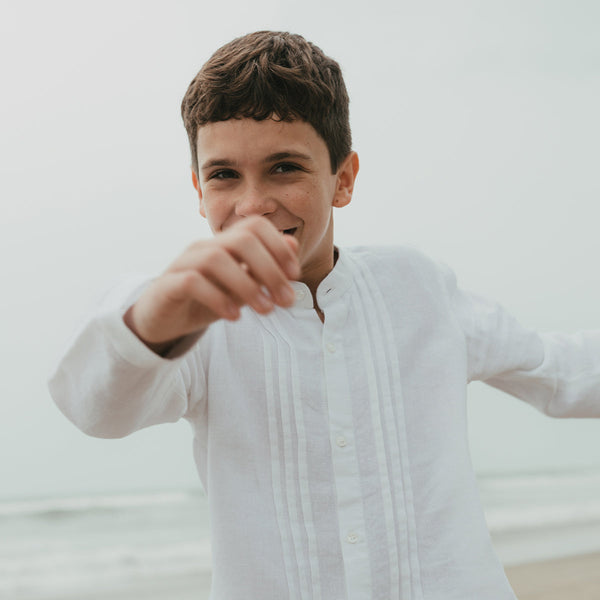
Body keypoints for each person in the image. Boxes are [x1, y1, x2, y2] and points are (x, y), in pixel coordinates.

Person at [48, 31, 600, 599]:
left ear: (344, 178)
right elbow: (96, 407)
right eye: (223, 175)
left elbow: (560, 373)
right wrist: (158, 317)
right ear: (197, 189)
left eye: (284, 168)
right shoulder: (191, 317)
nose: (253, 204)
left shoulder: (419, 288)